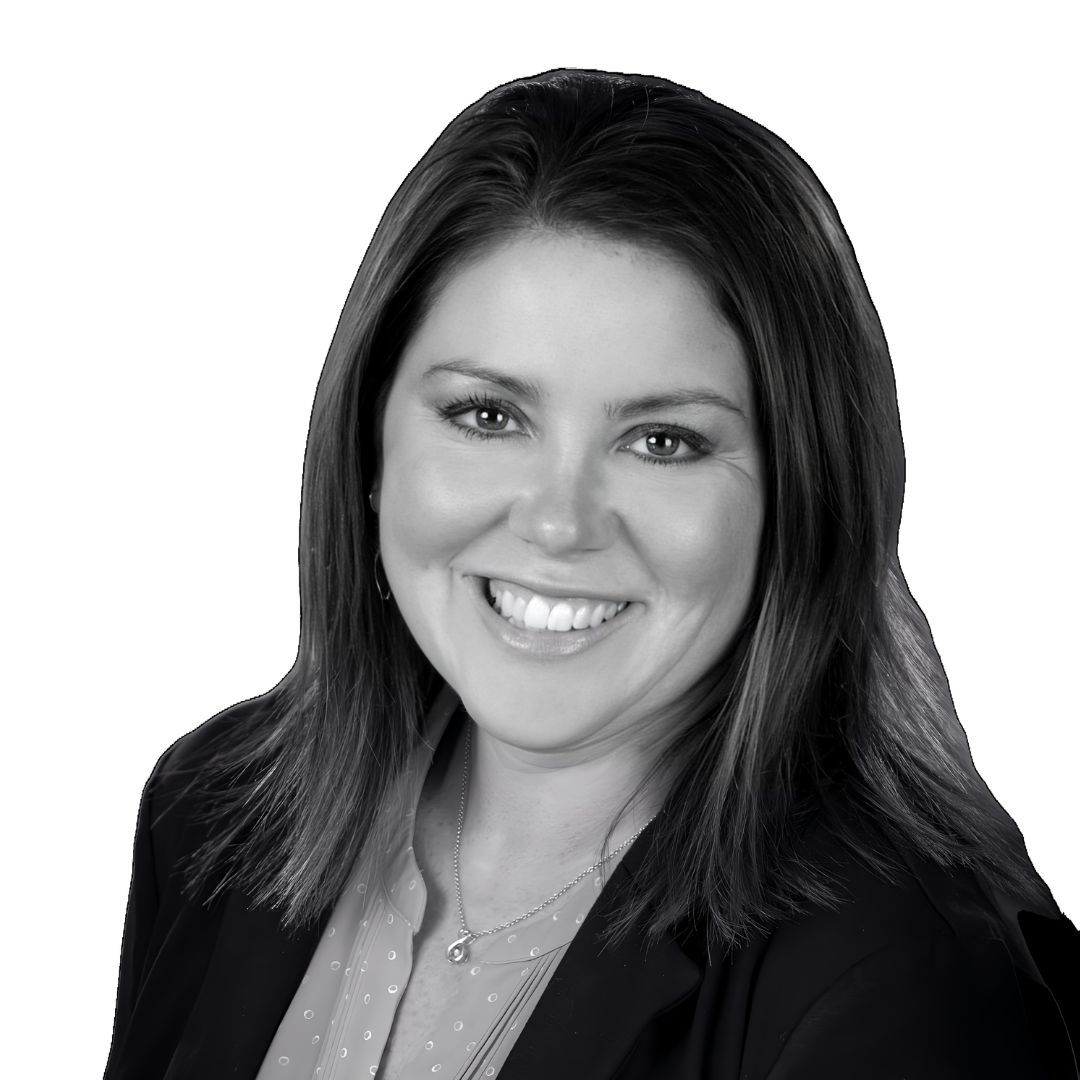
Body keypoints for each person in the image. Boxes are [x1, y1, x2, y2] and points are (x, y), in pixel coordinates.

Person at [103, 68, 1079, 1080]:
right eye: (488, 416)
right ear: (368, 445)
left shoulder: (904, 983)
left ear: (805, 493)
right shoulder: (213, 811)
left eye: (663, 441)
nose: (558, 522)